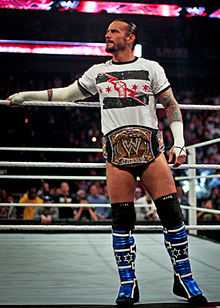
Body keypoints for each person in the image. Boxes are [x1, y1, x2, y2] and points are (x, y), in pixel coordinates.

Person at [7, 18, 207, 307]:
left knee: (173, 217)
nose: (107, 35)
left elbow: (171, 106)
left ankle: (185, 278)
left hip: (152, 154)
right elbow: (67, 94)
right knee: (121, 222)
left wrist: (179, 143)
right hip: (118, 157)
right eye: (108, 31)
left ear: (130, 36)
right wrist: (26, 96)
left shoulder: (151, 67)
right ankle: (128, 284)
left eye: (114, 31)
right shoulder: (97, 72)